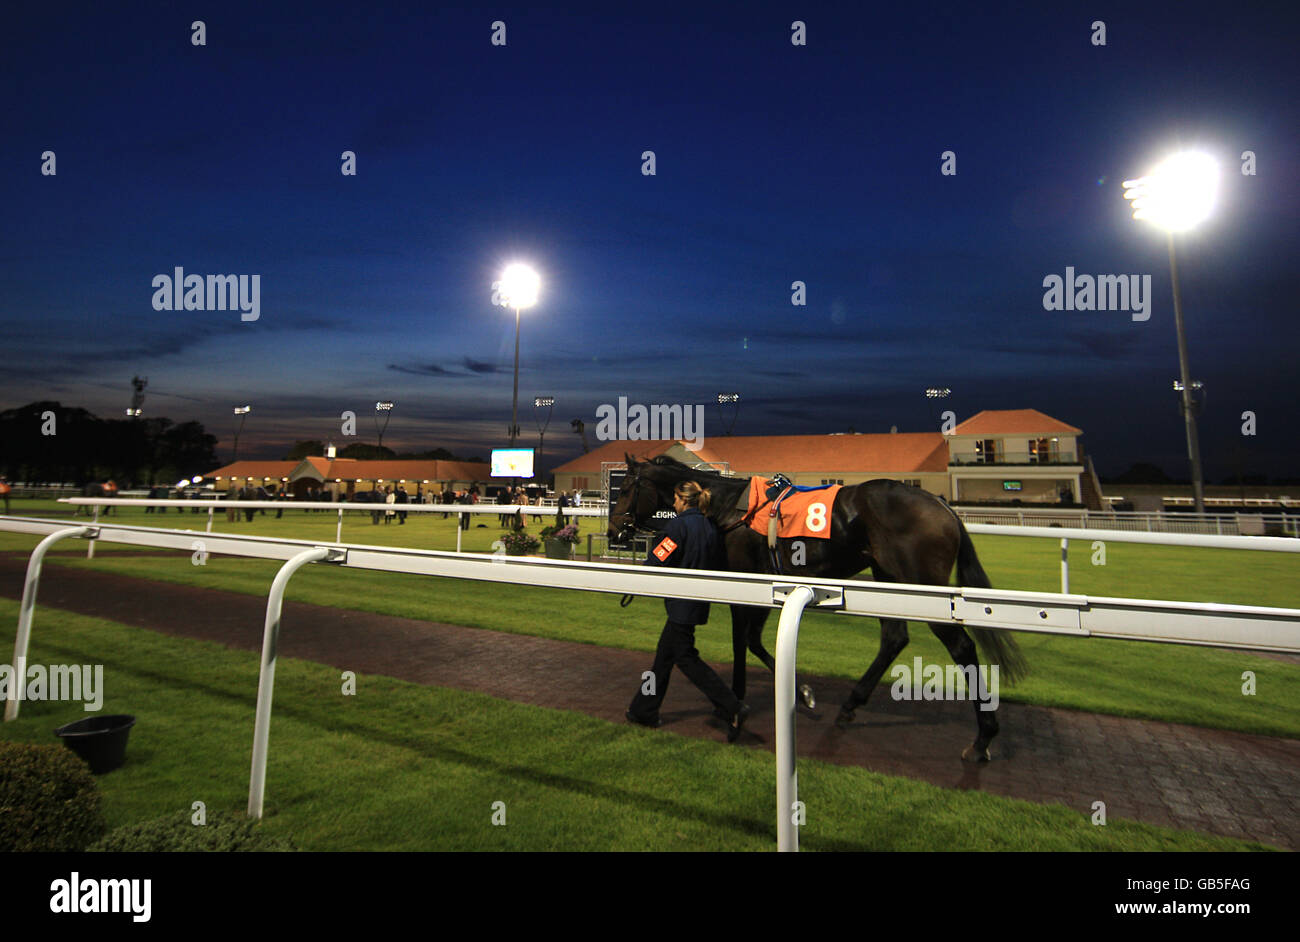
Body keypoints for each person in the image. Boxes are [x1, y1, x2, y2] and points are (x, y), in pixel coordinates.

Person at [626, 481, 750, 742]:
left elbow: (657, 561)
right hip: (697, 601)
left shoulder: (678, 526)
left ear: (683, 500)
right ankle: (643, 710)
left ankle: (732, 706)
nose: (673, 504)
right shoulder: (709, 527)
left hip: (681, 605)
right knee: (664, 658)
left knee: (685, 657)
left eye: (675, 499)